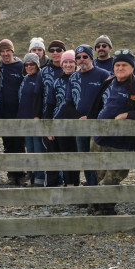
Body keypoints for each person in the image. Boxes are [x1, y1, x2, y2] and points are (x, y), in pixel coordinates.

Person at [86, 49, 135, 215]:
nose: (120, 68)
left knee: (113, 177)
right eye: (117, 65)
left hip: (121, 141)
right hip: (100, 137)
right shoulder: (109, 81)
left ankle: (96, 201)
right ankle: (105, 208)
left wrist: (126, 115)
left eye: (124, 65)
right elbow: (97, 105)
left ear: (132, 67)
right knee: (100, 175)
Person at [70, 44, 110, 187]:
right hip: (81, 125)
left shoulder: (103, 75)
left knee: (99, 158)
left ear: (91, 58)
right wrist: (77, 117)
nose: (82, 60)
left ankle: (101, 190)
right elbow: (69, 102)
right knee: (85, 158)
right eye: (78, 57)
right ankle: (91, 187)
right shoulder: (73, 77)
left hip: (98, 123)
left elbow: (108, 102)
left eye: (85, 56)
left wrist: (92, 116)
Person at [43, 50, 78, 187]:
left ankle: (75, 183)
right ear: (62, 65)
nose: (68, 65)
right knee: (64, 155)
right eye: (66, 62)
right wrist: (49, 128)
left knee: (75, 156)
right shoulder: (56, 82)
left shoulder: (79, 79)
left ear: (75, 64)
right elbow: (49, 105)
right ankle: (69, 184)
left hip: (76, 124)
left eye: (71, 62)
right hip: (59, 123)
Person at [0, 39, 26, 185]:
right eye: (2, 51)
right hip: (3, 112)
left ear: (13, 51)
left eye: (8, 50)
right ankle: (11, 174)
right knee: (7, 143)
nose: (5, 53)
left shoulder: (21, 66)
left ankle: (21, 174)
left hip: (18, 111)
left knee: (20, 143)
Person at [18, 52, 45, 185]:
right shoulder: (25, 78)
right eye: (27, 64)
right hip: (24, 119)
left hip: (36, 119)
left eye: (32, 64)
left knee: (38, 148)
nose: (29, 67)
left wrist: (39, 115)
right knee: (29, 148)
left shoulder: (40, 78)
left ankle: (40, 177)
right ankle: (32, 175)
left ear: (37, 65)